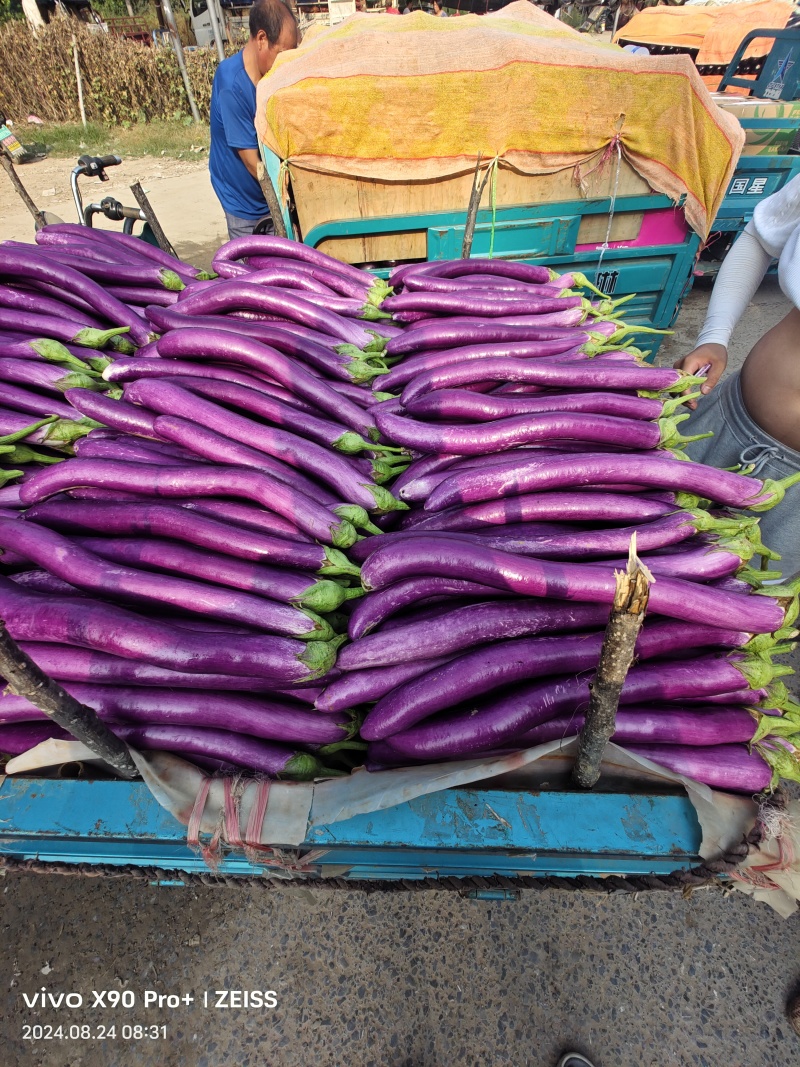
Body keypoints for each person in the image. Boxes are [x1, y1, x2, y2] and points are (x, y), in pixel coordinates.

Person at [675, 173, 800, 575]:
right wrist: (715, 336)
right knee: (620, 556)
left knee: (727, 621)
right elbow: (760, 238)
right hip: (727, 421)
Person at [208, 0, 298, 241]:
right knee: (251, 272)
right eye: (282, 54)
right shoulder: (231, 84)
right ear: (261, 39)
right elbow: (252, 164)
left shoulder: (273, 78)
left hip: (270, 195)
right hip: (243, 202)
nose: (286, 64)